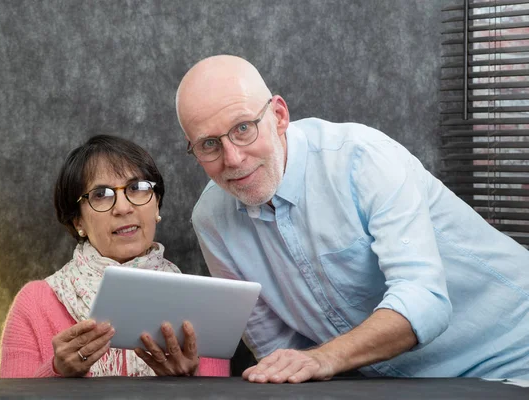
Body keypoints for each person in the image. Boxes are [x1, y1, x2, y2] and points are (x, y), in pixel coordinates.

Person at [175, 55, 529, 383]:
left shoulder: (363, 159)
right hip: (402, 387)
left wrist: (323, 359)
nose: (233, 158)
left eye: (243, 129)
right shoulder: (211, 221)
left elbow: (426, 301)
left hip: (514, 354)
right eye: (209, 144)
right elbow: (279, 353)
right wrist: (303, 366)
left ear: (279, 116)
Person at [0, 135, 229, 378]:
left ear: (157, 204)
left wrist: (188, 384)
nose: (123, 208)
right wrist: (57, 373)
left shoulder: (200, 304)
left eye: (137, 188)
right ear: (78, 221)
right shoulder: (34, 303)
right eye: (101, 194)